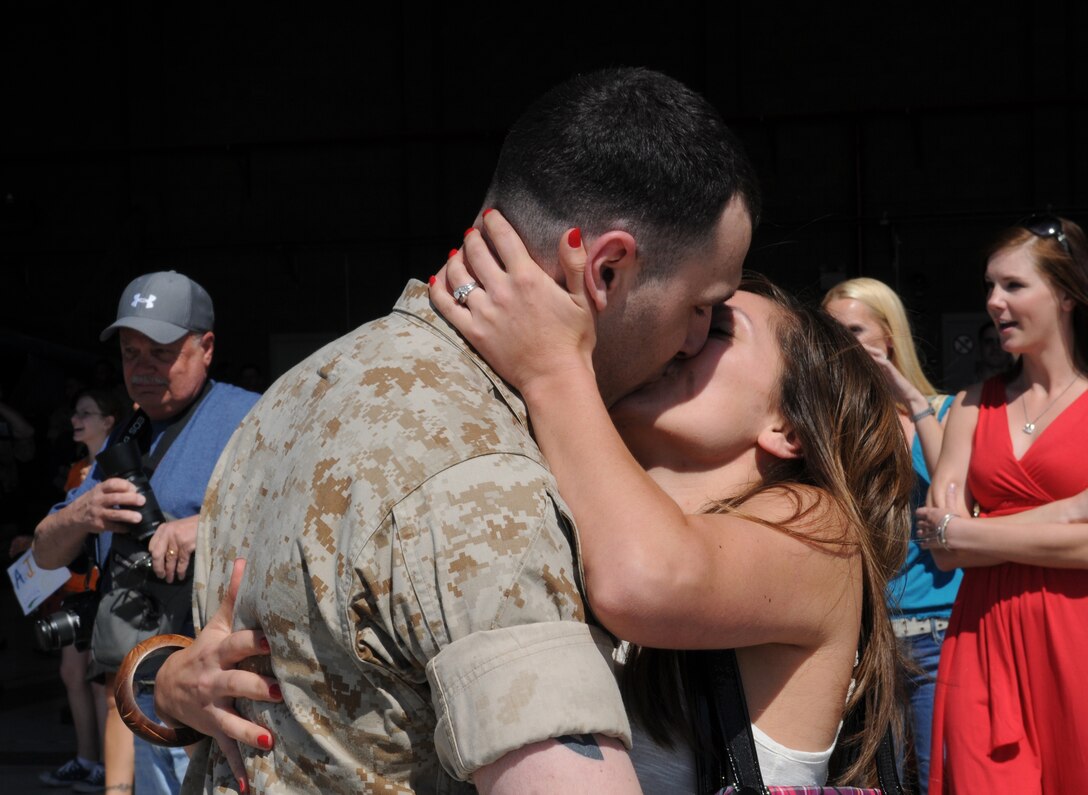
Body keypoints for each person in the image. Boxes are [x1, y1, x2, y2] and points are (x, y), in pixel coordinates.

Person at [149, 67, 758, 794]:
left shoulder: (292, 395)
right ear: (608, 268)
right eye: (701, 304)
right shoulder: (484, 476)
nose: (697, 339)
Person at [430, 216, 912, 787]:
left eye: (718, 329)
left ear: (787, 426)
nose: (682, 337)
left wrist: (552, 365)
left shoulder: (822, 531)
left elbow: (643, 580)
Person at [32, 271, 259, 795]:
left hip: (220, 694)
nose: (143, 369)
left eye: (161, 352)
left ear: (205, 348)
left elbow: (310, 523)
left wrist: (209, 526)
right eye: (131, 353)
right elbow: (44, 552)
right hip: (144, 690)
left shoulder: (251, 416)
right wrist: (82, 513)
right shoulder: (126, 434)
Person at [917, 215, 1088, 792]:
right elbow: (939, 549)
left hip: (1077, 645)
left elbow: (952, 533)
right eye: (989, 287)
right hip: (982, 645)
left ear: (1065, 294)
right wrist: (1065, 514)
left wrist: (969, 533)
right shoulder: (971, 404)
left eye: (1013, 286)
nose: (994, 302)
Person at [823, 278, 960, 793]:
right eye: (831, 331)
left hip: (939, 629)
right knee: (876, 779)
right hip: (870, 634)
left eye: (854, 329)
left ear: (889, 335)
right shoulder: (840, 424)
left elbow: (956, 489)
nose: (842, 342)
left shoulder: (946, 411)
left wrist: (907, 395)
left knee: (937, 778)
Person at [32, 388, 128, 791]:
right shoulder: (77, 471)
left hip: (107, 594)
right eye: (75, 412)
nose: (76, 419)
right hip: (73, 592)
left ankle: (112, 770)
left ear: (109, 421)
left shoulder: (122, 462)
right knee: (73, 673)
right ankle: (87, 760)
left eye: (86, 413)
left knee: (103, 684)